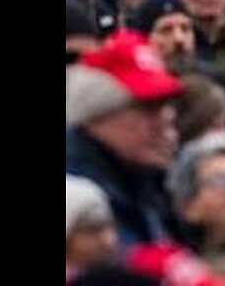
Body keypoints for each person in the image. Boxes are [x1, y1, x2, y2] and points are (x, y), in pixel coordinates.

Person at [66, 32, 185, 248]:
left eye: (166, 105)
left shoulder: (142, 178)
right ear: (97, 113)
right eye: (149, 108)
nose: (166, 121)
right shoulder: (77, 202)